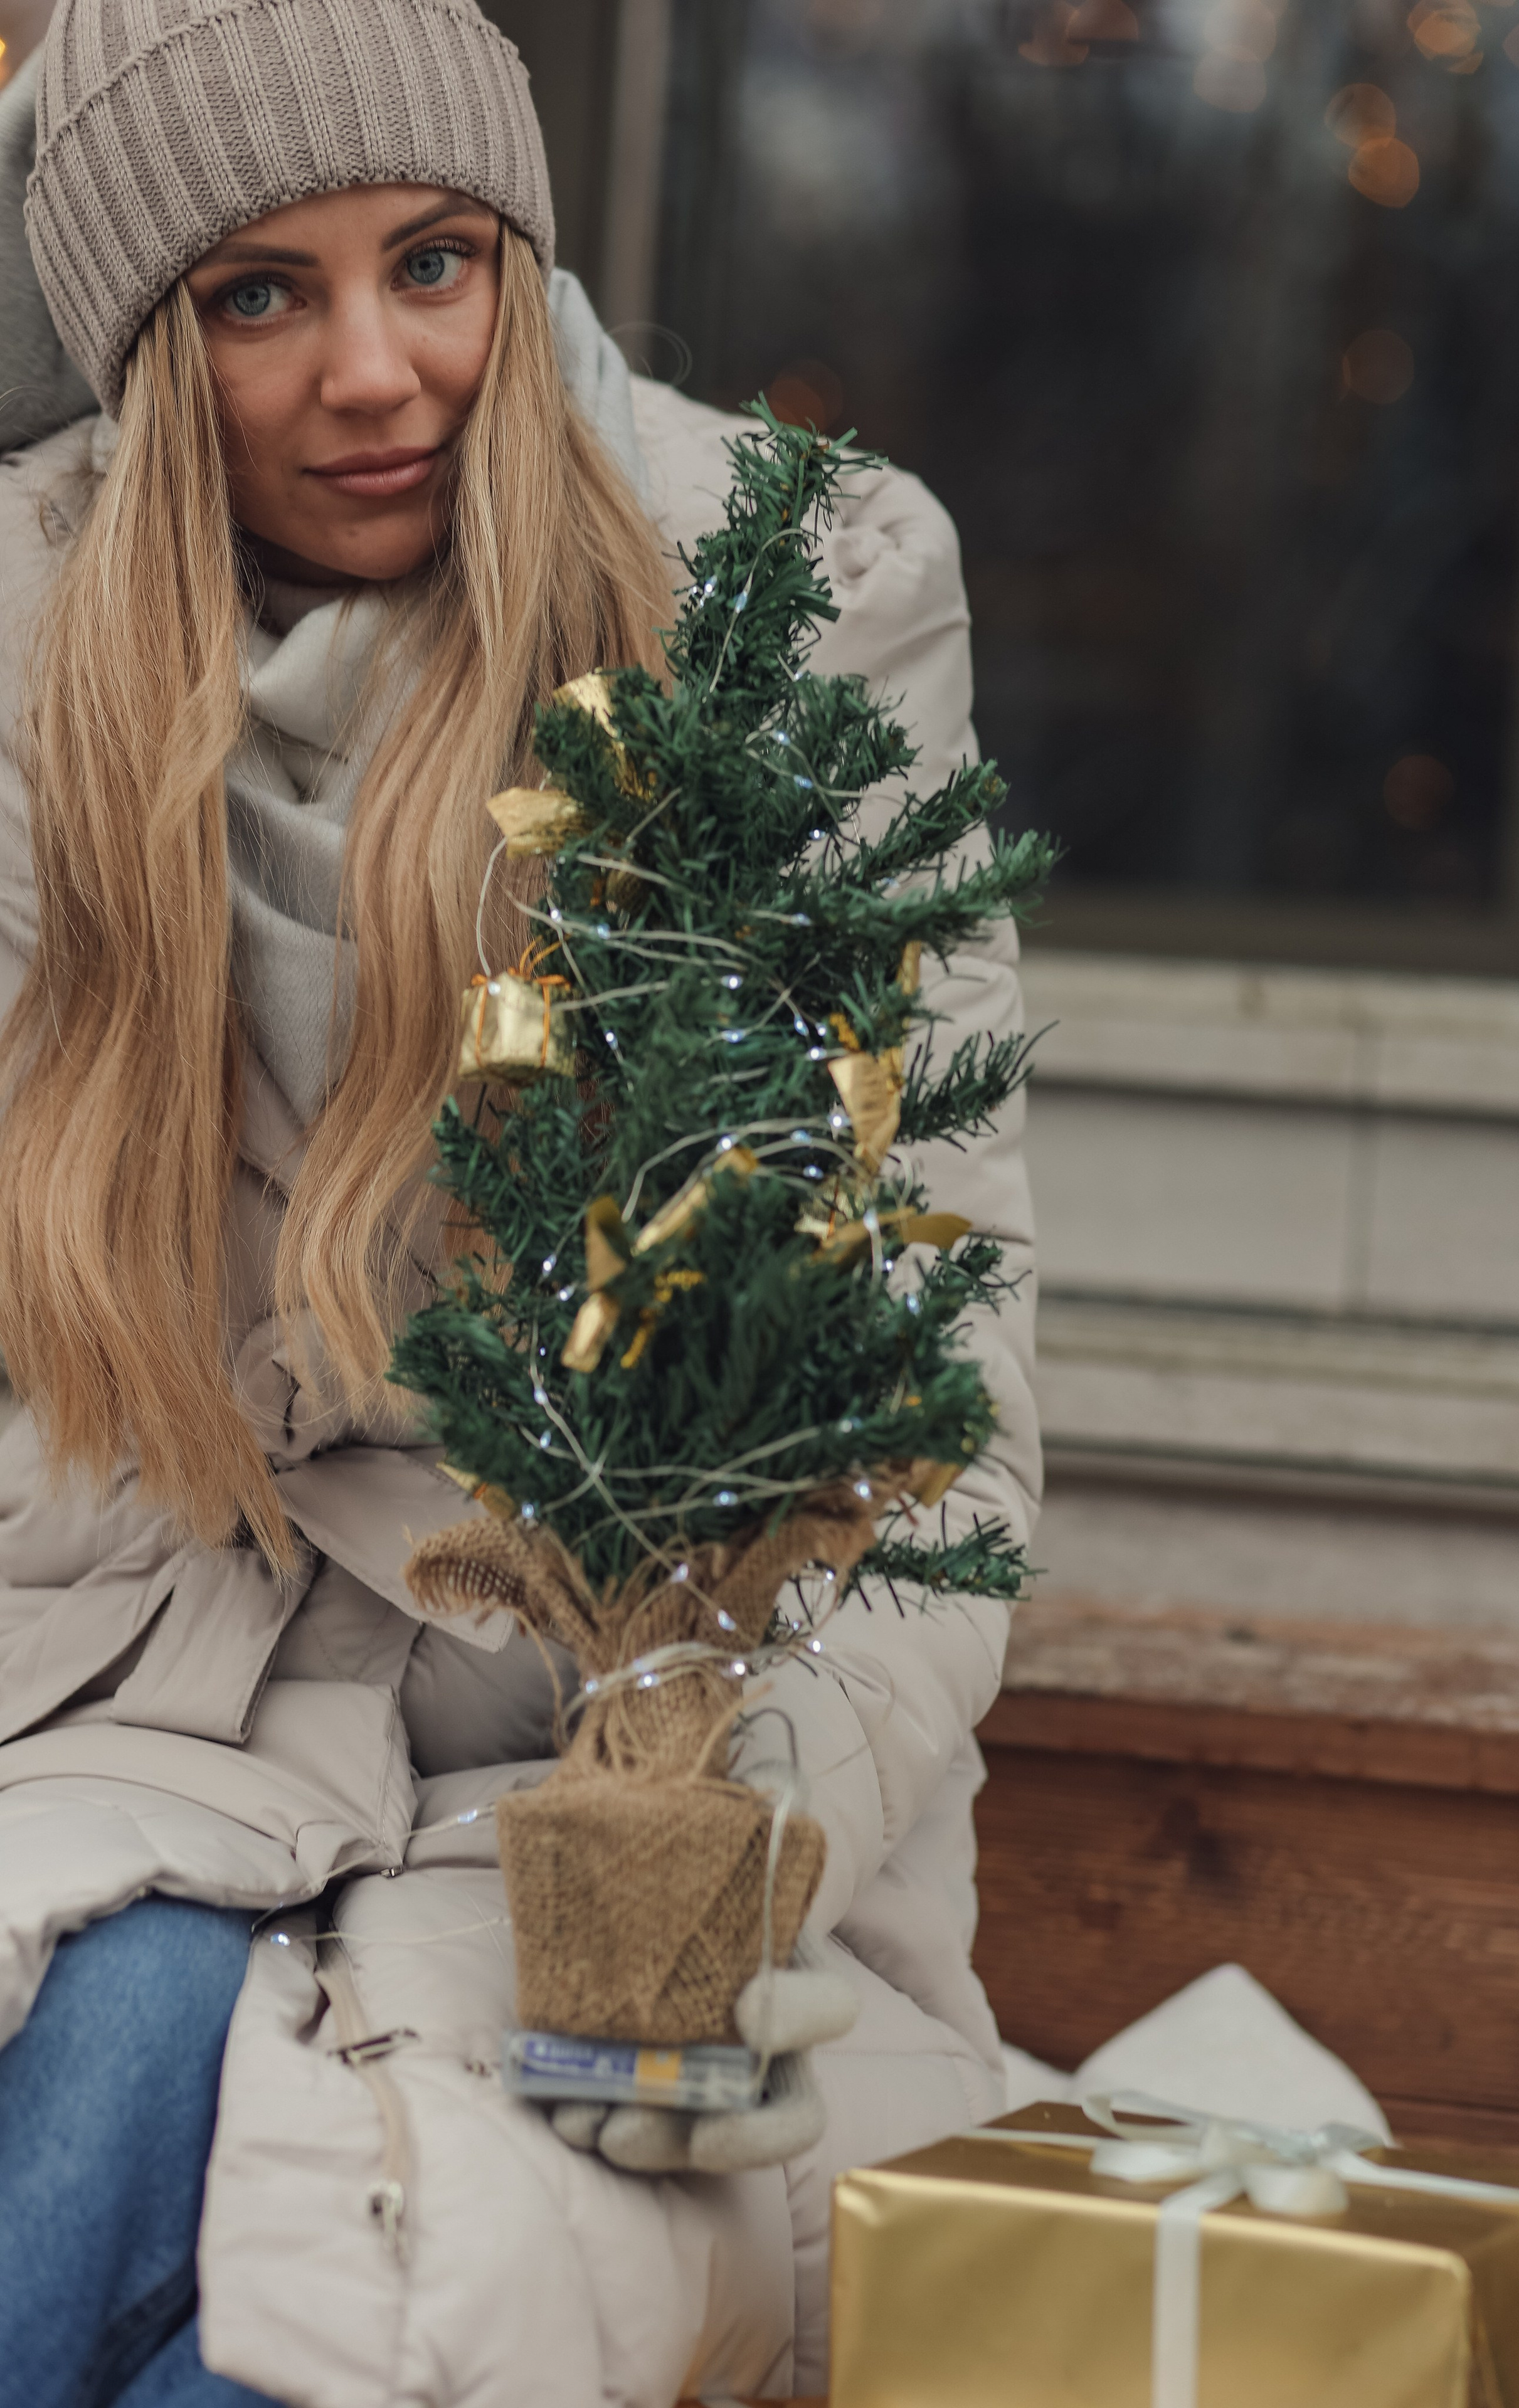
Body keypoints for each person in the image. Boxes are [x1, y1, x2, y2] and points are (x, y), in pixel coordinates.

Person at [0, 4, 1040, 2404]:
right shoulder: (37, 645)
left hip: (615, 1776)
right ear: (148, 349)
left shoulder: (776, 615)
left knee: (371, 2325)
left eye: (436, 263)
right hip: (133, 1708)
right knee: (109, 2014)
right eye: (259, 295)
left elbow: (917, 1405)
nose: (376, 372)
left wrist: (707, 1830)